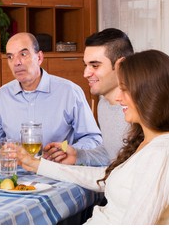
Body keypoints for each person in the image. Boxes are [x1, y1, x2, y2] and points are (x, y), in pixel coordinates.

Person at [17, 49, 169, 224]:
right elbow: (106, 178)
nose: (119, 98)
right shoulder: (151, 142)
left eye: (125, 90)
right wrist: (38, 165)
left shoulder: (162, 153)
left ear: (150, 94)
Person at [0, 32, 102, 149]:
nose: (16, 62)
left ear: (39, 57)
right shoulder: (2, 96)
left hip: (56, 166)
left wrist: (65, 151)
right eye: (10, 57)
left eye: (23, 54)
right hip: (16, 167)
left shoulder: (69, 92)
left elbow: (93, 139)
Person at [43, 28, 134, 166]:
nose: (86, 73)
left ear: (120, 65)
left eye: (95, 65)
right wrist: (77, 155)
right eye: (86, 65)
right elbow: (111, 153)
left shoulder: (140, 110)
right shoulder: (103, 104)